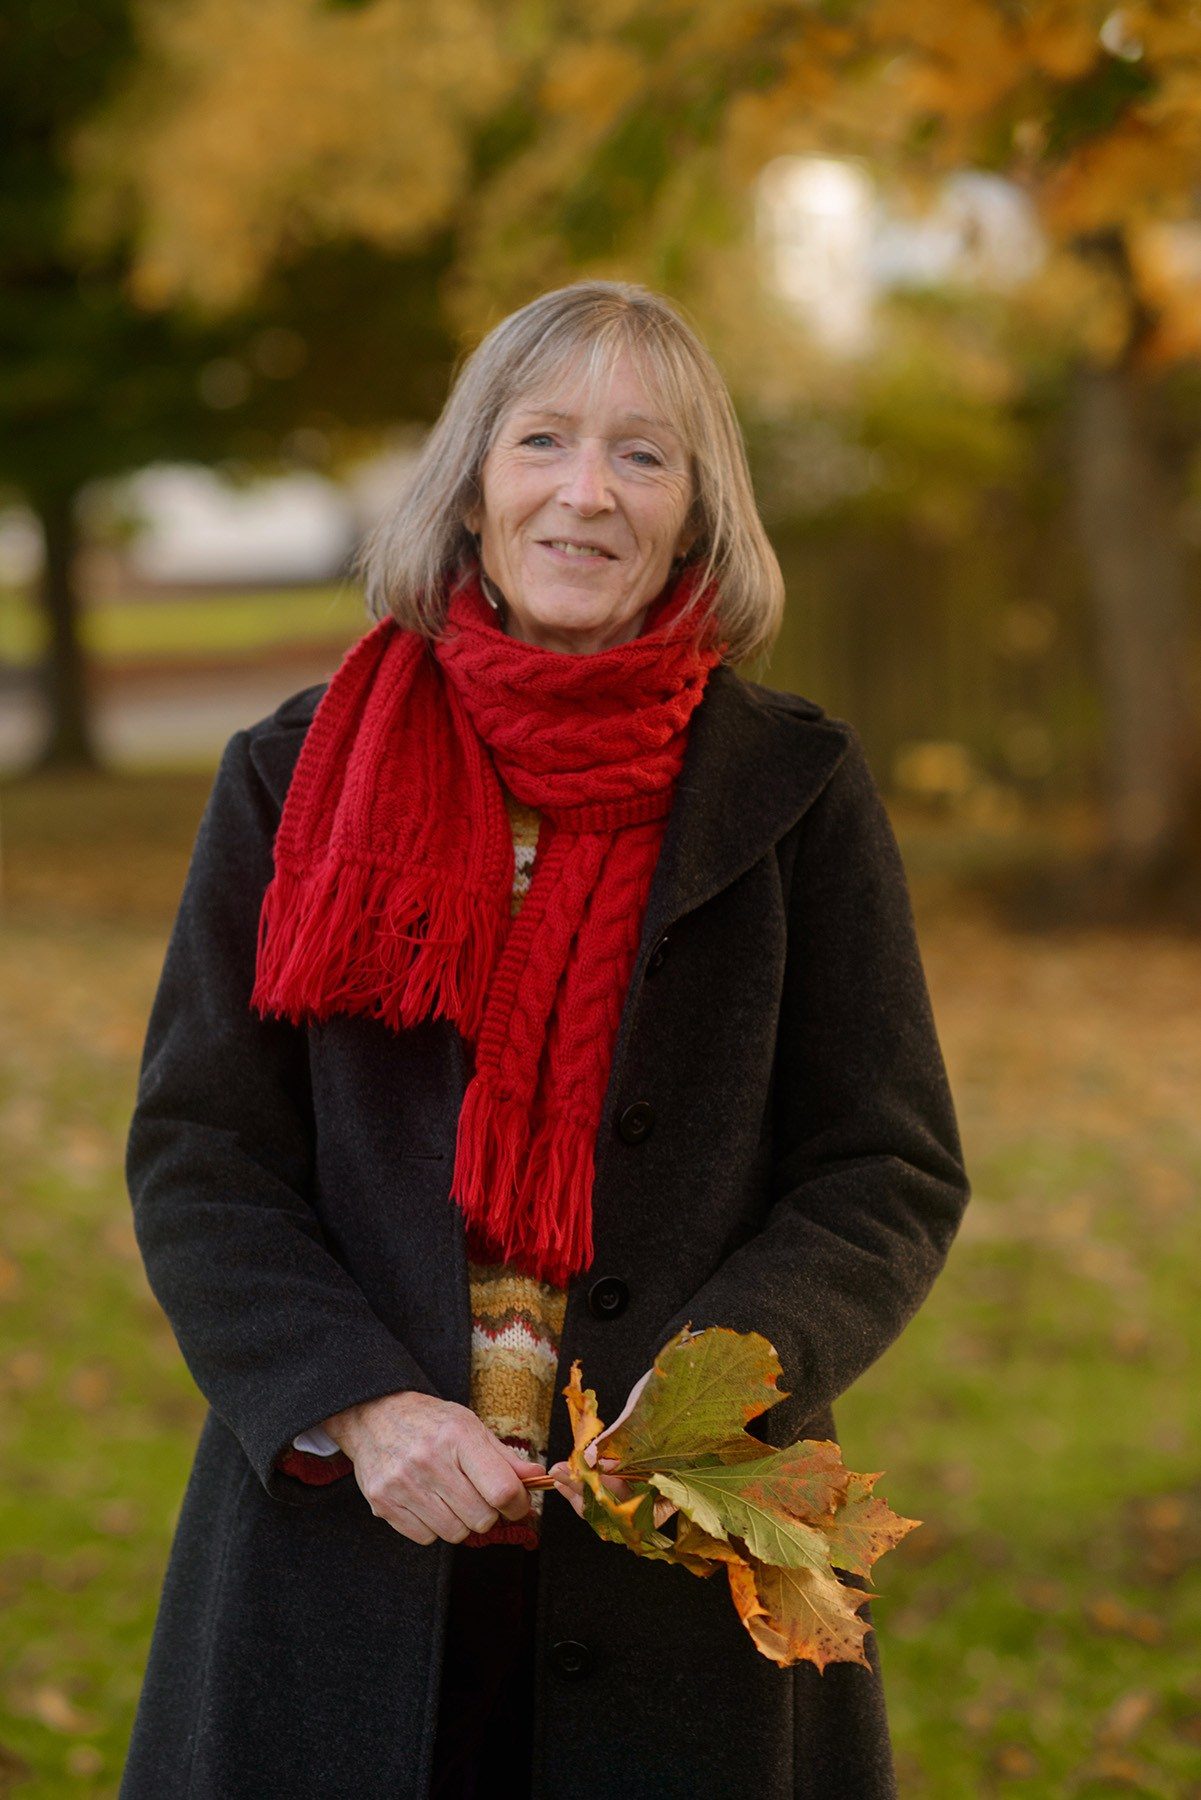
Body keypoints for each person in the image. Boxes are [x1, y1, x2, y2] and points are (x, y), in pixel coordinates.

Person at [121, 280, 968, 1800]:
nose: (588, 492)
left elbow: (883, 1164)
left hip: (681, 1560)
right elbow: (203, 1148)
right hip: (341, 1549)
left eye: (644, 456)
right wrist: (357, 1405)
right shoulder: (291, 774)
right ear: (471, 487)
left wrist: (718, 1381)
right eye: (544, 442)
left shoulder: (796, 790)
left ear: (698, 513)